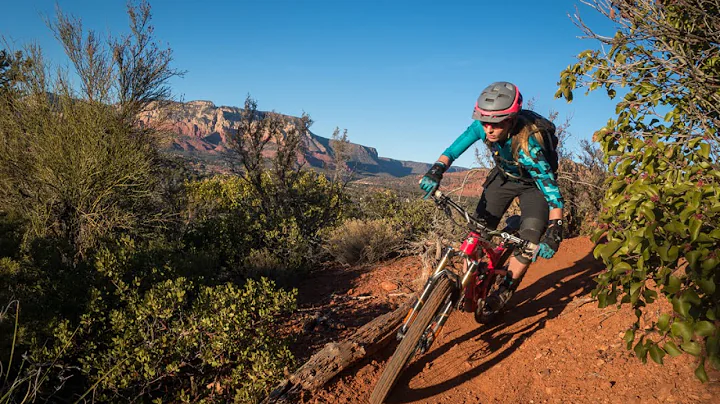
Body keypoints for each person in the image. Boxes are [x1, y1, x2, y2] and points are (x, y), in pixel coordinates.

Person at [419, 81, 564, 314]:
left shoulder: (529, 149)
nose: (488, 129)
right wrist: (436, 170)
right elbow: (454, 149)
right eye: (485, 122)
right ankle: (470, 286)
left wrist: (555, 228)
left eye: (496, 123)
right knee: (475, 233)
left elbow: (551, 192)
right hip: (504, 177)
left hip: (534, 186)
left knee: (530, 240)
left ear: (511, 120)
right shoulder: (483, 126)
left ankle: (506, 288)